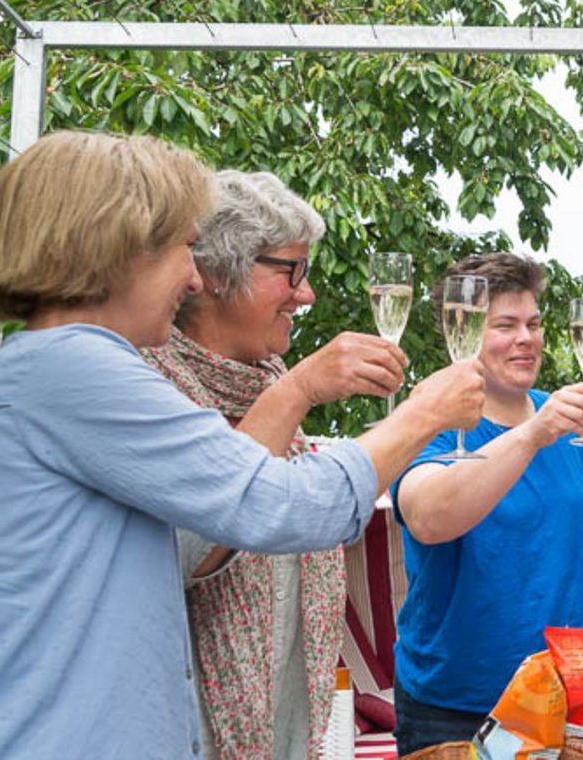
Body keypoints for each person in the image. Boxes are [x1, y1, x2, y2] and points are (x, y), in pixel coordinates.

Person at [0, 131, 485, 758]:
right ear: (118, 247)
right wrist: (424, 415)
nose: (192, 279)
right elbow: (281, 503)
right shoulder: (75, 368)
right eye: (182, 248)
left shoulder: (53, 367)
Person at [143, 170, 409, 760]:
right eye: (290, 270)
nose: (307, 293)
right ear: (211, 274)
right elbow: (199, 539)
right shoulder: (153, 384)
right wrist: (299, 392)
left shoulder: (266, 382)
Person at [389, 252, 583, 754]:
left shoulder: (561, 417)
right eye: (506, 325)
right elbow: (428, 518)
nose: (526, 338)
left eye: (534, 323)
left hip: (577, 700)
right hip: (462, 712)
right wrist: (532, 435)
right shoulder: (429, 424)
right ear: (461, 332)